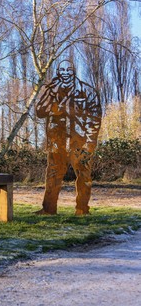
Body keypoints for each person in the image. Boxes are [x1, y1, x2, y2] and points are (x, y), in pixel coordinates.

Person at [35, 59, 102, 215]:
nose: (65, 73)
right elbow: (40, 112)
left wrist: (90, 143)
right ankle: (48, 209)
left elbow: (95, 119)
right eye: (62, 70)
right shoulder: (52, 91)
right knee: (52, 176)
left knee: (84, 176)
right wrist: (50, 95)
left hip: (80, 142)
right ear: (58, 72)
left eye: (69, 70)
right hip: (57, 143)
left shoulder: (87, 91)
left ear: (74, 71)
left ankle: (82, 210)